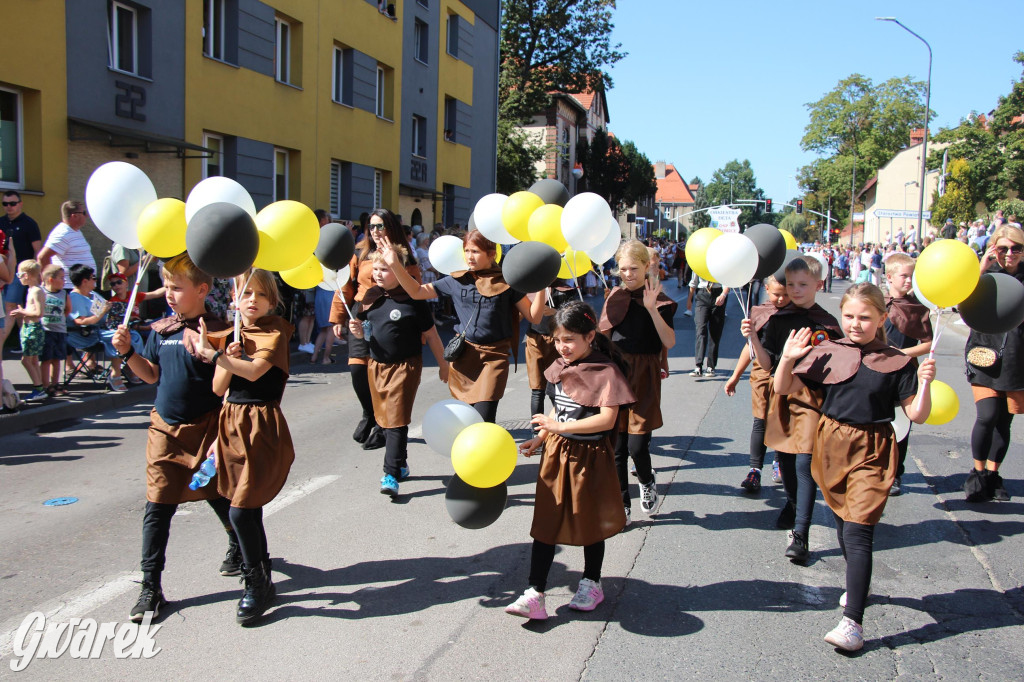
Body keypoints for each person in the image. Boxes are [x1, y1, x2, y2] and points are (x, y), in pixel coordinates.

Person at [774, 283, 934, 652]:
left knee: (860, 531)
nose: (856, 324)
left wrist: (924, 384)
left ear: (882, 318)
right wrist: (787, 357)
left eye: (865, 317)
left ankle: (853, 624)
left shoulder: (897, 360)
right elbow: (784, 388)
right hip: (829, 445)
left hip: (873, 448)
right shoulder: (828, 351)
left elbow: (918, 414)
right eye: (849, 316)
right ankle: (857, 583)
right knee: (845, 528)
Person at [111, 253, 240, 623]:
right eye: (166, 286)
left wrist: (217, 353)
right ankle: (150, 587)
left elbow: (225, 385)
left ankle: (238, 544)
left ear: (202, 290)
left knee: (218, 494)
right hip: (164, 429)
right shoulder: (162, 329)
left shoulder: (218, 329)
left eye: (176, 288)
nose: (168, 294)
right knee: (158, 505)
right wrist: (128, 352)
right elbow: (149, 376)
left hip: (207, 428)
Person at [506, 301, 636, 620]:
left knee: (589, 522)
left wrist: (559, 427)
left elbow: (607, 419)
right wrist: (541, 437)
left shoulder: (605, 371)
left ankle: (592, 583)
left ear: (590, 336)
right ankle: (534, 593)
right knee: (545, 524)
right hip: (556, 454)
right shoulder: (561, 364)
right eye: (558, 339)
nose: (562, 347)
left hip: (589, 457)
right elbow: (559, 407)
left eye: (570, 340)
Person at [193, 269, 295, 625]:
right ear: (234, 298)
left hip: (260, 425)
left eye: (260, 295)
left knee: (239, 509)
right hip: (231, 424)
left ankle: (254, 585)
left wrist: (214, 355)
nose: (252, 300)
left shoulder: (276, 330)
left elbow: (254, 373)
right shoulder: (233, 334)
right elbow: (220, 388)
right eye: (245, 293)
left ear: (272, 300)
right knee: (246, 508)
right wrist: (226, 354)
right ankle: (263, 576)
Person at [379, 229, 546, 423]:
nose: (469, 257)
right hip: (464, 358)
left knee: (484, 420)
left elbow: (534, 317)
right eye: (466, 251)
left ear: (491, 254)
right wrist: (394, 264)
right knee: (466, 420)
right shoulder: (457, 279)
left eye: (475, 251)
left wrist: (542, 286)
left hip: (494, 358)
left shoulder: (507, 282)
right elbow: (416, 292)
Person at [743, 256, 841, 563]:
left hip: (812, 397)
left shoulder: (825, 322)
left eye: (803, 285)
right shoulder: (779, 317)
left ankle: (801, 534)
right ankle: (793, 503)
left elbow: (837, 365)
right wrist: (753, 339)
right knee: (784, 458)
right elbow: (767, 362)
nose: (795, 290)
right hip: (781, 392)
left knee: (804, 464)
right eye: (791, 284)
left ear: (818, 285)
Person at [349, 247, 448, 497]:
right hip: (377, 366)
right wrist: (358, 331)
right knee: (385, 418)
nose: (379, 274)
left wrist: (444, 364)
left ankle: (390, 473)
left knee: (396, 418)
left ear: (399, 270)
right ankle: (401, 464)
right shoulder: (371, 296)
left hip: (405, 366)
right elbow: (367, 328)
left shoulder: (413, 299)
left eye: (386, 269)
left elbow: (432, 334)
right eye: (376, 269)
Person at [598, 240, 676, 525]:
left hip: (644, 373)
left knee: (637, 446)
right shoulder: (614, 296)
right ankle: (622, 503)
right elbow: (602, 336)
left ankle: (646, 480)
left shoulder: (662, 301)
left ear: (647, 266)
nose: (628, 274)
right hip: (616, 373)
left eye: (634, 268)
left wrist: (652, 308)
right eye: (623, 269)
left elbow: (668, 341)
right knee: (616, 445)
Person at [331, 209, 422, 450]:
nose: (375, 231)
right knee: (357, 370)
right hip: (362, 312)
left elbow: (415, 289)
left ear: (391, 227)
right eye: (371, 226)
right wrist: (338, 318)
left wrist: (418, 327)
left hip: (393, 315)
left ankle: (383, 424)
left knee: (381, 372)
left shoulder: (404, 255)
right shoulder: (360, 252)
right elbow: (345, 285)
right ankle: (369, 413)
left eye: (380, 225)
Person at [964, 225, 1024, 502]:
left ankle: (993, 474)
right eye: (1003, 248)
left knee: (1003, 422)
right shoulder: (984, 276)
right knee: (986, 416)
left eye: (1016, 248)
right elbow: (960, 300)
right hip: (984, 355)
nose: (1009, 254)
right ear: (993, 249)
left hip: (1016, 359)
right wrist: (982, 265)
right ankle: (977, 475)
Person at [726, 275, 790, 493]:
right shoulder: (760, 312)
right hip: (763, 373)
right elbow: (750, 347)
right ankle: (755, 470)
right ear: (766, 289)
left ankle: (779, 462)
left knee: (782, 419)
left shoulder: (796, 313)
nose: (781, 299)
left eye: (785, 294)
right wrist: (735, 376)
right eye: (776, 294)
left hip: (789, 374)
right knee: (760, 420)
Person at [882, 253, 933, 495]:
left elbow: (927, 343)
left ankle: (896, 474)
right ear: (889, 277)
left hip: (905, 373)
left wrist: (902, 353)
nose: (909, 280)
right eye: (904, 276)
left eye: (912, 276)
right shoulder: (876, 302)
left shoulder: (917, 308)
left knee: (903, 425)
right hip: (878, 371)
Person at [524, 282, 575, 435]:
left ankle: (560, 424)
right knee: (537, 390)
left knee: (557, 388)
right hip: (534, 339)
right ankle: (536, 431)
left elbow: (573, 318)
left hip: (557, 341)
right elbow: (523, 312)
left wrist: (554, 312)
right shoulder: (531, 289)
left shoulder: (565, 290)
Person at [1, 191, 42, 356]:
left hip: (20, 273)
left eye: (12, 203)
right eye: (5, 204)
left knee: (10, 305)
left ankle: (2, 341)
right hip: (2, 271)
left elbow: (37, 251)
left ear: (20, 203)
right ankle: (24, 341)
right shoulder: (1, 222)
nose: (9, 207)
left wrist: (34, 274)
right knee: (17, 308)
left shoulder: (29, 223)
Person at [64, 264, 116, 388]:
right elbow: (80, 322)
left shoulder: (92, 294)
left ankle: (125, 370)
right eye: (93, 277)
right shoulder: (75, 298)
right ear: (84, 281)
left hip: (99, 331)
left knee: (130, 334)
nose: (96, 280)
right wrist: (103, 312)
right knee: (123, 337)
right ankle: (118, 373)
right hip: (85, 336)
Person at [9, 260, 46, 400]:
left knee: (26, 361)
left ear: (27, 275)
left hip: (33, 329)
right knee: (34, 360)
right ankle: (40, 387)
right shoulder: (31, 290)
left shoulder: (36, 291)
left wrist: (22, 313)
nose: (18, 277)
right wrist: (23, 310)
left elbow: (38, 313)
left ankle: (38, 388)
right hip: (29, 328)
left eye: (19, 274)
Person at [38, 201, 96, 289]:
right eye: (84, 213)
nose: (86, 216)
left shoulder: (74, 231)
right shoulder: (63, 233)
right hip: (69, 288)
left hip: (80, 288)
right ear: (74, 216)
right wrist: (49, 282)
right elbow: (42, 257)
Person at [686, 270, 728, 377]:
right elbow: (693, 282)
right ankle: (698, 366)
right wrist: (689, 299)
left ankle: (711, 366)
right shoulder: (699, 261)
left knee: (715, 332)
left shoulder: (720, 261)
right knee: (701, 329)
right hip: (702, 294)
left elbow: (727, 281)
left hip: (718, 293)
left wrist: (723, 295)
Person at [38, 264, 68, 396]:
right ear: (51, 279)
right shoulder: (41, 292)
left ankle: (55, 384)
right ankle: (45, 385)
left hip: (59, 330)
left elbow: (68, 310)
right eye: (61, 278)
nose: (64, 280)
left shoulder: (63, 294)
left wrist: (59, 320)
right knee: (46, 359)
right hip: (45, 330)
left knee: (57, 359)